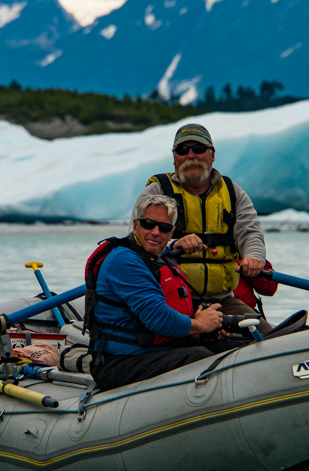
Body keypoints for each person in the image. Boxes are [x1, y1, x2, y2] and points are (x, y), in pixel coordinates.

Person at [133, 122, 272, 333]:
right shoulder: (157, 191)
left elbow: (250, 233)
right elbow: (135, 243)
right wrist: (173, 244)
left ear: (212, 155)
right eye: (182, 150)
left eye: (198, 149)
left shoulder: (233, 193)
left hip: (223, 300)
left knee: (265, 335)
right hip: (172, 300)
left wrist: (254, 258)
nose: (191, 156)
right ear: (174, 158)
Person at [85, 195, 224, 390]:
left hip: (155, 351)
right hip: (119, 363)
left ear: (171, 233)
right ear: (136, 225)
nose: (156, 232)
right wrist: (200, 324)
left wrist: (205, 327)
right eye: (148, 224)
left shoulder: (157, 259)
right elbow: (158, 319)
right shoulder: (124, 261)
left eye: (164, 227)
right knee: (202, 358)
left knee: (229, 348)